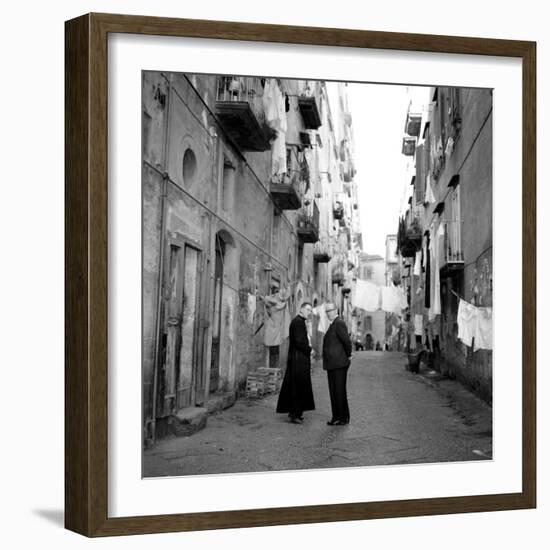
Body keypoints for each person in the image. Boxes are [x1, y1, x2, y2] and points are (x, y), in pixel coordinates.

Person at [276, 302, 315, 424]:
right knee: (298, 386)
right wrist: (310, 350)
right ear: (302, 309)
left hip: (299, 359)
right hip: (298, 360)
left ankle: (295, 412)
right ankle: (295, 414)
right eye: (308, 310)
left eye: (310, 310)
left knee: (297, 386)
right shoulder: (298, 322)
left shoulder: (299, 321)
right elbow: (299, 342)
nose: (309, 312)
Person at [322, 303, 352, 426]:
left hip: (339, 363)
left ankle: (341, 417)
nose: (328, 313)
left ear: (336, 310)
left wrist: (348, 355)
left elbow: (346, 341)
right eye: (326, 311)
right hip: (333, 364)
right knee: (335, 391)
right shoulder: (333, 324)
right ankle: (338, 416)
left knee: (338, 391)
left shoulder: (339, 323)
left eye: (330, 310)